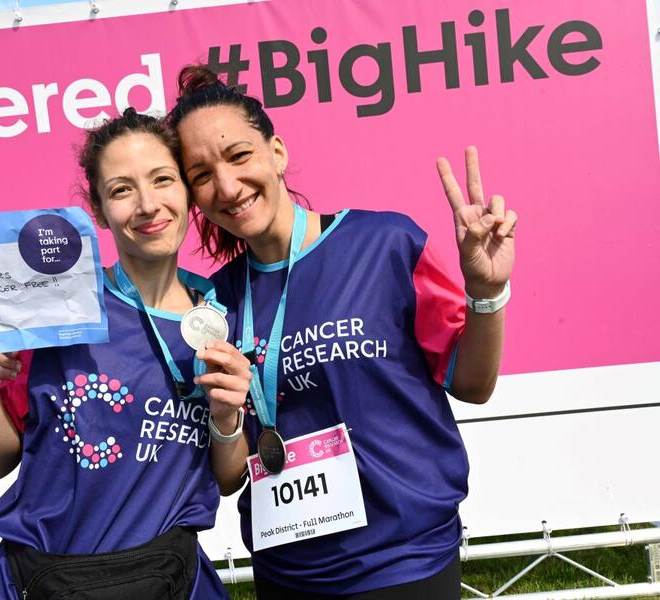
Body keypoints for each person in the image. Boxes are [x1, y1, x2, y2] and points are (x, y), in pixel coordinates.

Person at [165, 66, 517, 599]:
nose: (228, 186)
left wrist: (486, 293)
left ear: (276, 153)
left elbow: (473, 384)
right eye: (202, 174)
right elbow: (227, 471)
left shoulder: (386, 245)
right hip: (289, 572)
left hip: (406, 562)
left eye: (239, 156)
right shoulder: (212, 307)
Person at [0, 108, 250, 600]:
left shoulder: (222, 316)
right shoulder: (54, 310)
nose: (148, 205)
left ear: (186, 192)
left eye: (163, 180)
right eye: (122, 190)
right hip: (45, 581)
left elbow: (228, 479)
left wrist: (226, 416)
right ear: (99, 211)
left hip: (169, 579)